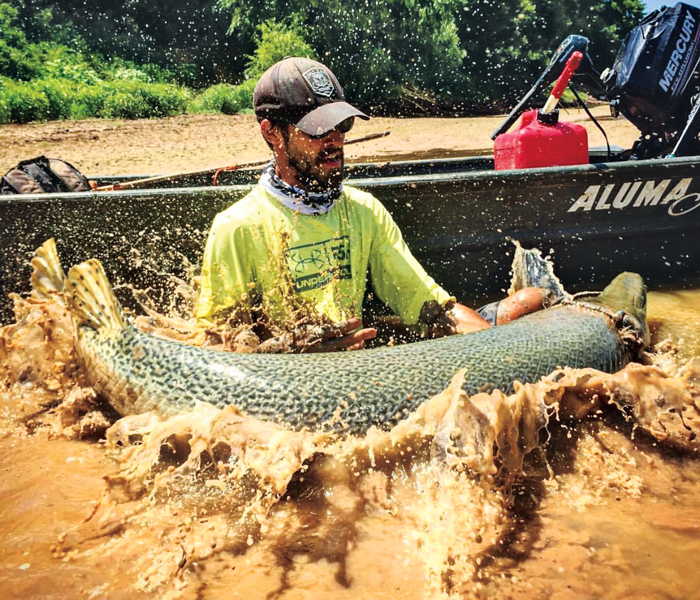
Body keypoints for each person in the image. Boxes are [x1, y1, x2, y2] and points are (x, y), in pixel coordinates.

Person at [196, 57, 549, 352]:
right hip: (289, 381)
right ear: (272, 132)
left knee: (533, 298)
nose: (335, 139)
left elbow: (431, 309)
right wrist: (288, 349)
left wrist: (500, 356)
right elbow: (214, 348)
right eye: (318, 129)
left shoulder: (363, 211)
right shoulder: (238, 227)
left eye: (341, 124)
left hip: (360, 364)